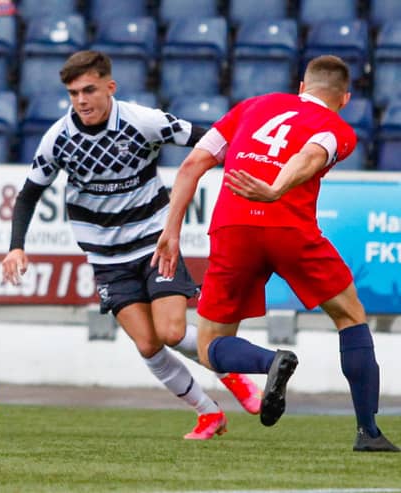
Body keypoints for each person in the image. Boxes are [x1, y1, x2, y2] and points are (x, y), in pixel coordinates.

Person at [2, 50, 262, 440]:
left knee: (172, 331)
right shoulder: (59, 138)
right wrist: (16, 246)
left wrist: (254, 170)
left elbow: (210, 141)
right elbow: (28, 194)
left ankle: (235, 376)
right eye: (73, 93)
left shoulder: (143, 121)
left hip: (156, 243)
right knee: (148, 344)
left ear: (110, 87)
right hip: (106, 258)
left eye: (89, 90)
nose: (81, 101)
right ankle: (209, 414)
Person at [152, 54, 399, 452]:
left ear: (302, 87)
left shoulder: (253, 105)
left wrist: (172, 230)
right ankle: (368, 433)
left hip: (233, 229)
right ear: (345, 98)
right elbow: (311, 155)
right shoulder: (338, 128)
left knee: (211, 348)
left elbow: (192, 165)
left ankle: (270, 361)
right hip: (290, 229)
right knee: (350, 316)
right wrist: (276, 189)